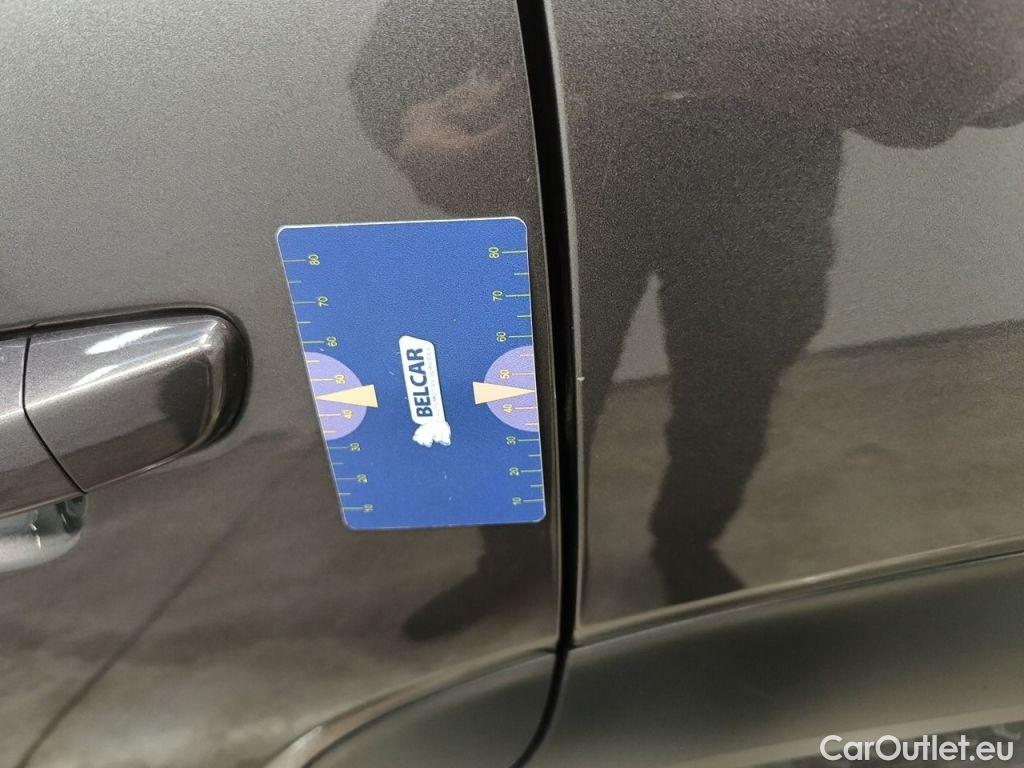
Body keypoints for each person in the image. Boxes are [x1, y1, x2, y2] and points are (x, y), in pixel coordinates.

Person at [351, 0, 1024, 639]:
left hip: (763, 174)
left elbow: (987, 67)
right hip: (566, 165)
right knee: (526, 396)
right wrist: (412, 119)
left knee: (732, 392)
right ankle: (518, 557)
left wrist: (991, 78)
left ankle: (687, 545)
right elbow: (399, 52)